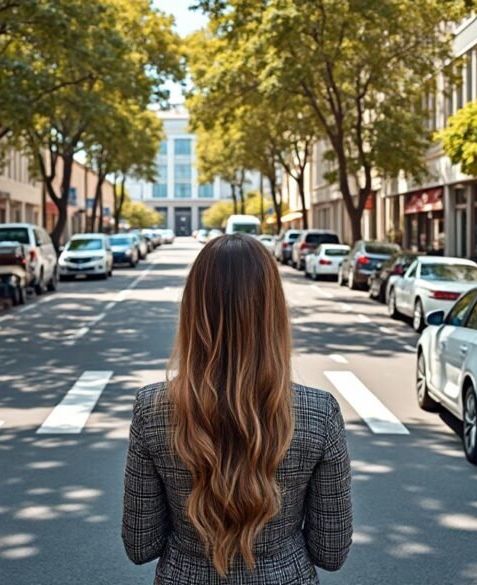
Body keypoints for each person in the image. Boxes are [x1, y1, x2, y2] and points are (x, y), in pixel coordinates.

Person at [122, 234, 353, 584]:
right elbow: (330, 552)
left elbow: (141, 544)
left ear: (192, 312)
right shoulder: (319, 413)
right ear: (273, 313)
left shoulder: (152, 409)